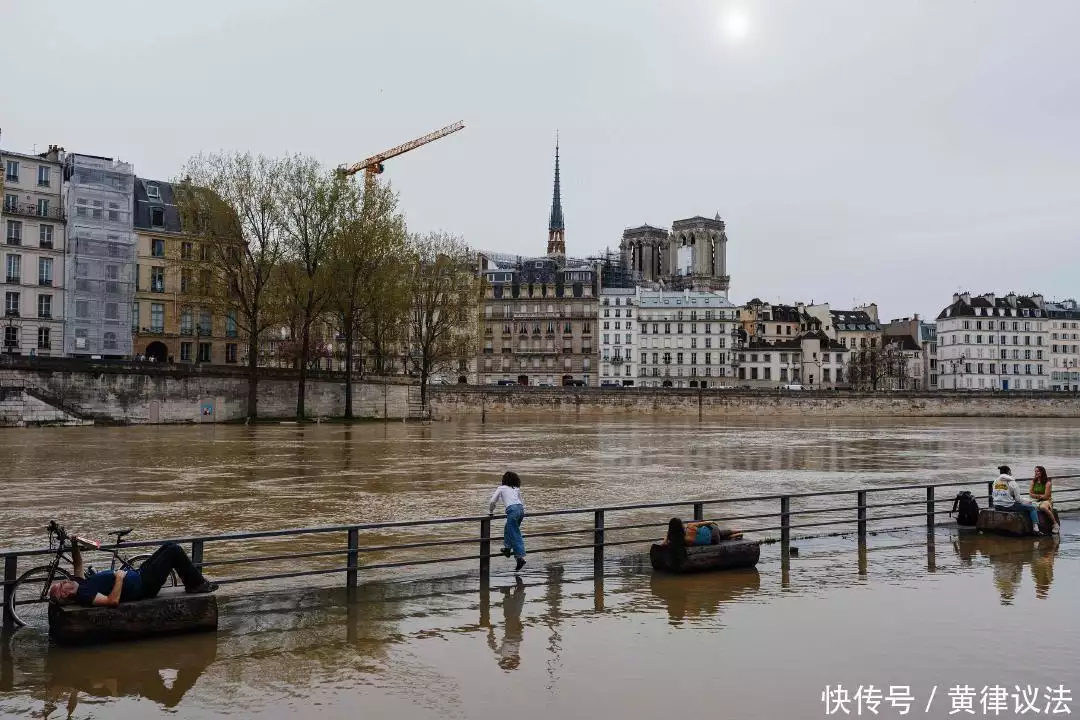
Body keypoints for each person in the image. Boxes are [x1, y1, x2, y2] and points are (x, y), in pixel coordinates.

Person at [48, 538, 218, 607]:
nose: (64, 581)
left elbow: (78, 563)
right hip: (144, 586)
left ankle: (192, 583)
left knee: (169, 546)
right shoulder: (84, 594)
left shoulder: (80, 584)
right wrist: (120, 578)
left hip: (140, 574)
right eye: (61, 585)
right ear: (64, 595)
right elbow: (112, 601)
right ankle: (196, 585)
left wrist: (74, 543)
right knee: (174, 550)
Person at [489, 471, 526, 572]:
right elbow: (522, 502)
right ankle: (507, 549)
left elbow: (492, 501)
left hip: (513, 510)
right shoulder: (516, 489)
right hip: (520, 510)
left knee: (514, 533)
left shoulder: (501, 488)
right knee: (508, 529)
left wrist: (491, 512)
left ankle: (520, 558)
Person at [991, 465, 1040, 535]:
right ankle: (1036, 528)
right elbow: (1018, 500)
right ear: (1009, 472)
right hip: (1008, 506)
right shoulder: (1012, 482)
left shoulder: (995, 481)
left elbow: (994, 494)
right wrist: (1026, 502)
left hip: (997, 505)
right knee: (1032, 508)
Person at [1029, 465, 1059, 535]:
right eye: (1035, 471)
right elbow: (1030, 494)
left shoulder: (1048, 483)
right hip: (1035, 500)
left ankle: (1055, 524)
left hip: (1047, 501)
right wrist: (1040, 496)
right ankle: (1035, 526)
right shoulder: (1033, 482)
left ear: (1042, 472)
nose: (1036, 473)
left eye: (1038, 471)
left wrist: (1036, 496)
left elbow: (1046, 497)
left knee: (1042, 507)